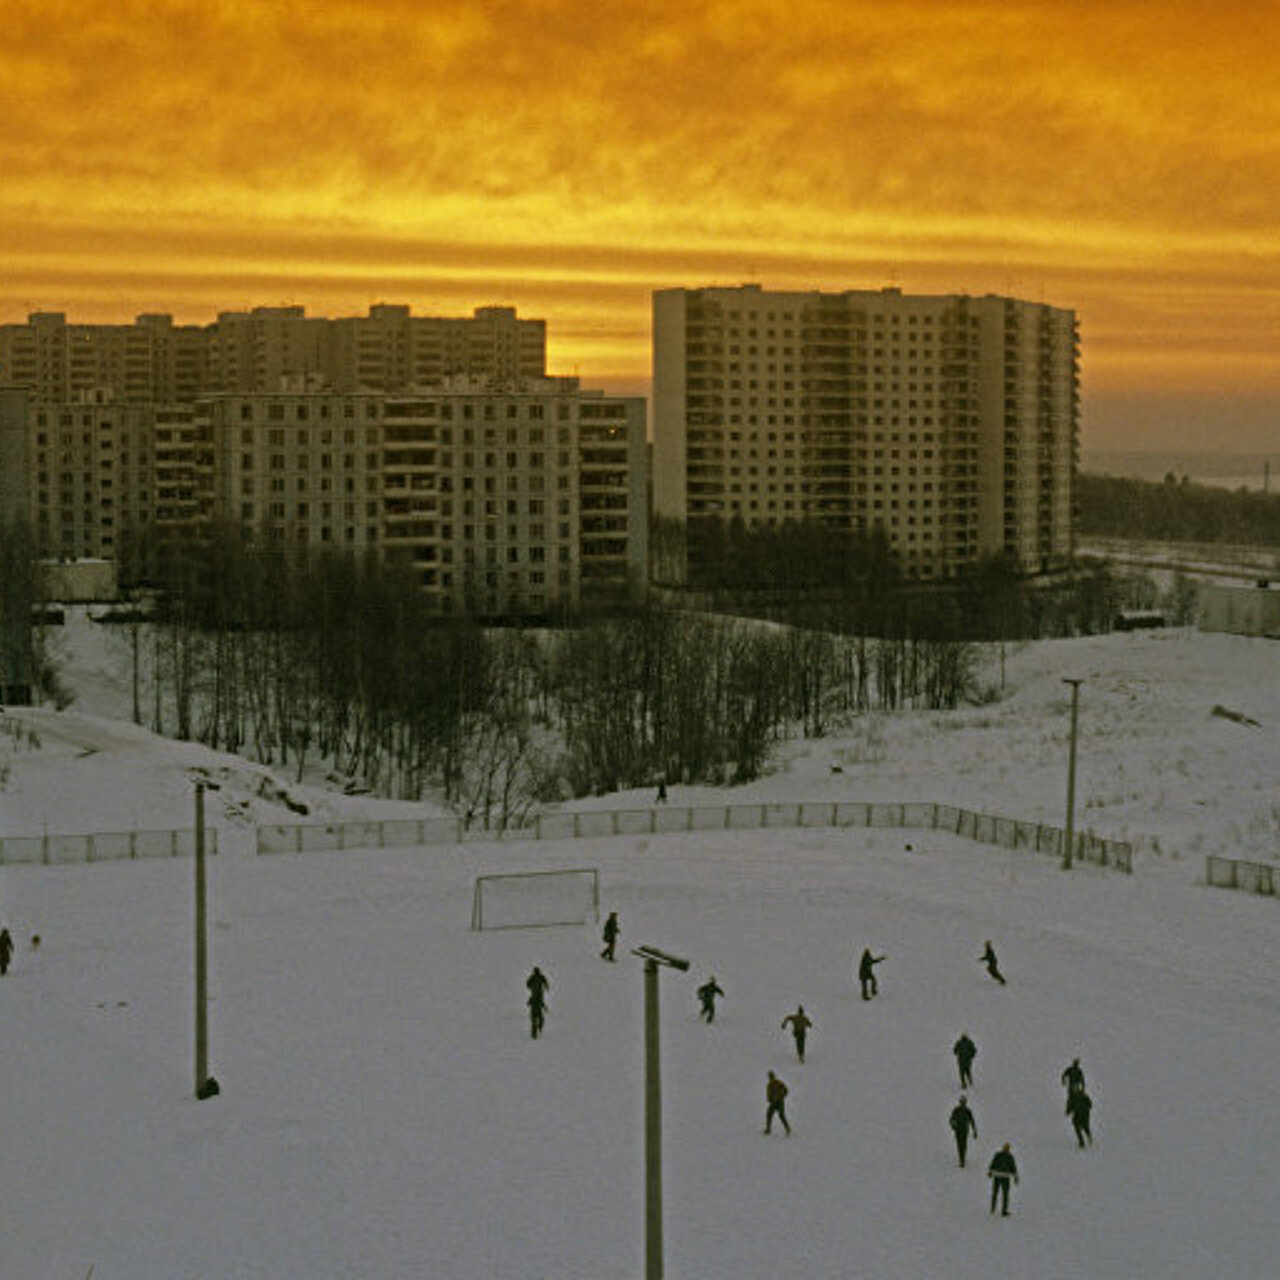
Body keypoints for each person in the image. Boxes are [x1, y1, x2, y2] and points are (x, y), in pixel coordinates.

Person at [987, 1143, 1019, 1215]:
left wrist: (990, 1172)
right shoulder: (1010, 1157)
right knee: (1005, 1194)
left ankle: (993, 1208)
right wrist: (1015, 1177)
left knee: (995, 1193)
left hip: (997, 1176)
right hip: (1005, 1177)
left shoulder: (998, 1155)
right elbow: (1013, 1168)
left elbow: (993, 1164)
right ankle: (1003, 1211)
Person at [949, 1095, 978, 1167]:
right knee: (960, 1145)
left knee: (963, 1145)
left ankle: (962, 1159)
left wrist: (974, 1131)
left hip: (964, 1130)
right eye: (962, 1102)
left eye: (963, 1102)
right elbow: (951, 1119)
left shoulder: (967, 1111)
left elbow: (972, 1121)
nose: (962, 1104)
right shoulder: (957, 1110)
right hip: (959, 1130)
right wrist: (953, 1126)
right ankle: (961, 1159)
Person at [764, 1070, 791, 1135]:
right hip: (773, 1103)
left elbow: (786, 1090)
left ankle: (787, 1128)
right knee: (769, 1114)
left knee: (781, 1115)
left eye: (772, 1077)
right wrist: (770, 1099)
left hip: (780, 1102)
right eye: (770, 1077)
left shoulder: (778, 1083)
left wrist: (781, 1096)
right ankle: (768, 1129)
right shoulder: (769, 1085)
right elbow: (768, 1095)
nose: (771, 1079)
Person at [526, 966, 549, 1039]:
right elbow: (528, 983)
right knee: (537, 1020)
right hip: (537, 1003)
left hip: (536, 998)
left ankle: (535, 1033)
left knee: (535, 1021)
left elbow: (545, 981)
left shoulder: (537, 977)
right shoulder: (535, 977)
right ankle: (535, 1033)